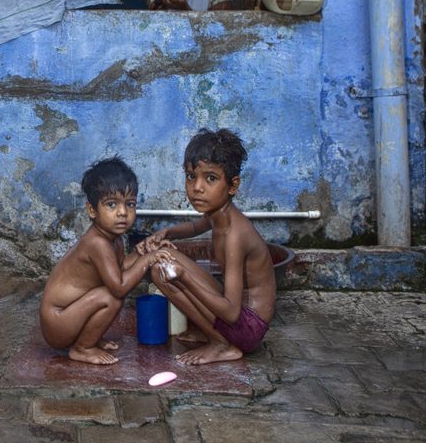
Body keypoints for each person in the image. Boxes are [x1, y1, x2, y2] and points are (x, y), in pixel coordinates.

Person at [137, 128, 275, 365]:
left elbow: (232, 312)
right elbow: (194, 227)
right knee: (163, 260)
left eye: (210, 178)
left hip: (248, 327)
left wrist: (184, 278)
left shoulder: (234, 234)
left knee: (164, 269)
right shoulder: (217, 214)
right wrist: (164, 232)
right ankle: (214, 334)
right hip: (236, 315)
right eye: (191, 176)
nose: (197, 187)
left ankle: (222, 344)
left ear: (232, 186)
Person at [39, 157, 173, 365]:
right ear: (92, 210)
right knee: (111, 296)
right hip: (57, 322)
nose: (122, 212)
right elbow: (119, 286)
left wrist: (145, 250)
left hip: (69, 316)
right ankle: (82, 347)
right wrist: (146, 260)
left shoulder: (114, 238)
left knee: (107, 293)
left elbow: (119, 268)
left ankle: (88, 338)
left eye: (130, 204)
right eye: (111, 204)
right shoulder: (97, 244)